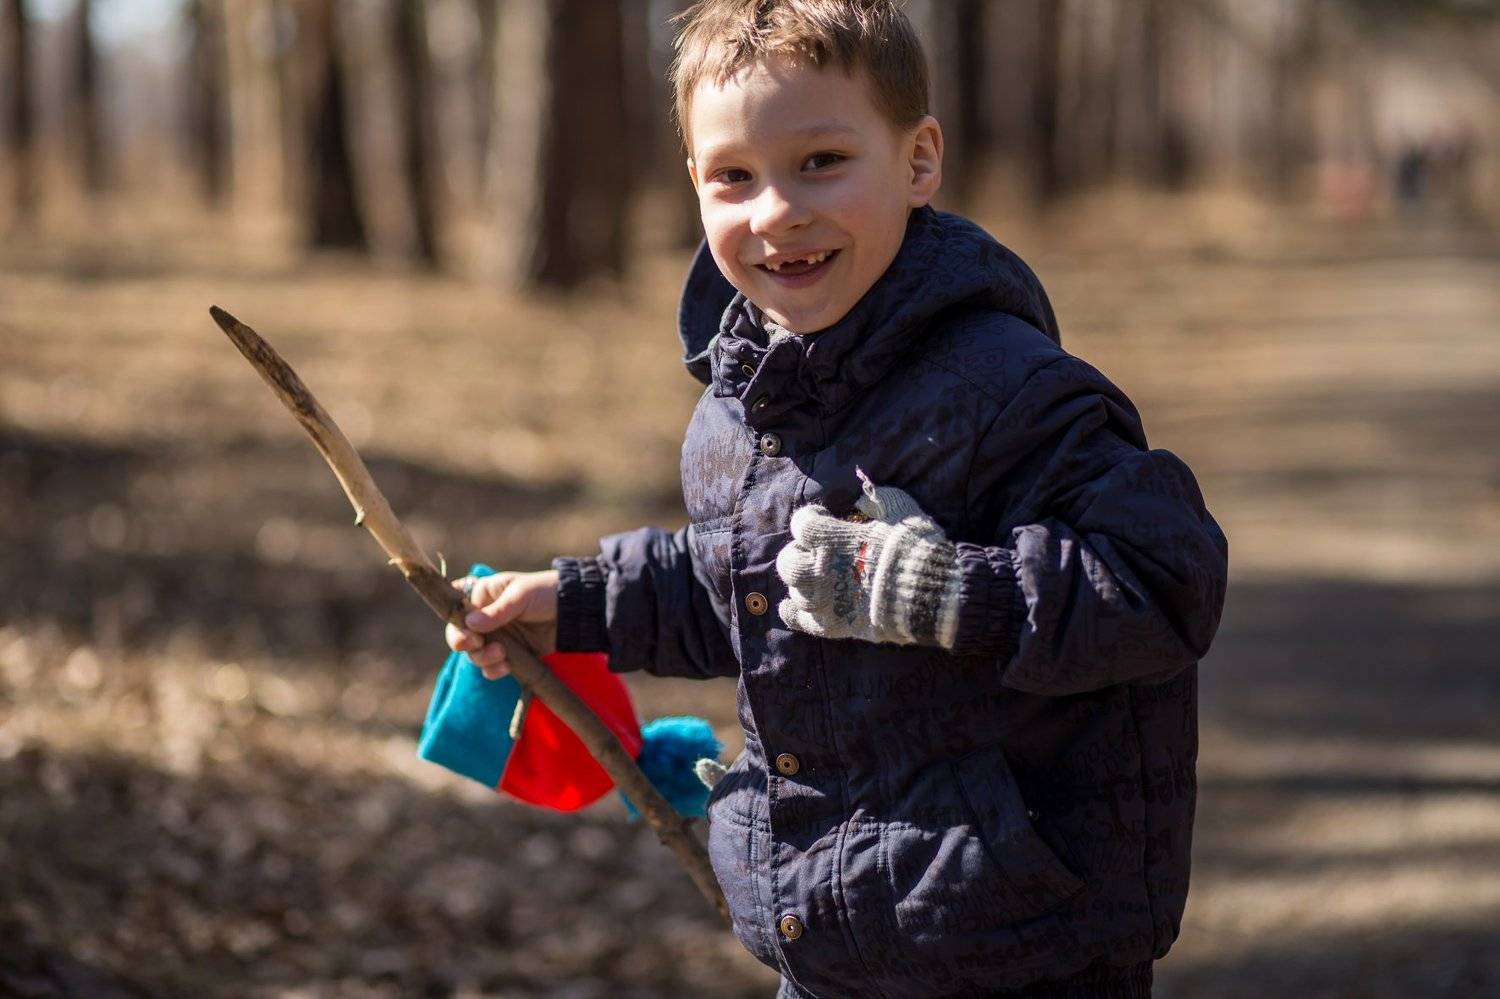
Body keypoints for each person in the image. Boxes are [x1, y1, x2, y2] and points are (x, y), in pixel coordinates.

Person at [447, 2, 1228, 996]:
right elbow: (747, 590)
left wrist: (947, 593)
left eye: (821, 162)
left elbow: (1162, 582)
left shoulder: (1009, 390)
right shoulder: (738, 409)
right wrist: (572, 603)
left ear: (919, 160)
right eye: (734, 176)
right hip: (824, 933)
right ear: (694, 184)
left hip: (1017, 935)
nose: (776, 211)